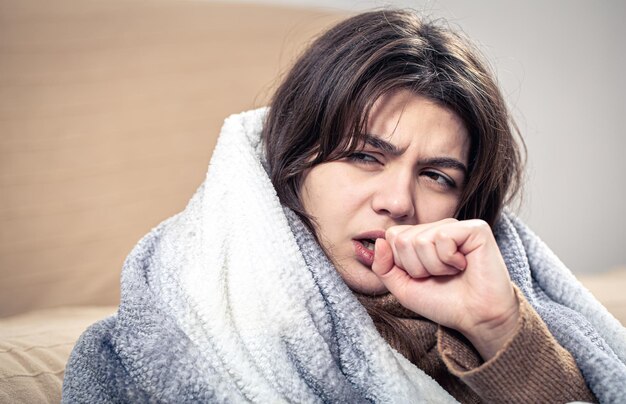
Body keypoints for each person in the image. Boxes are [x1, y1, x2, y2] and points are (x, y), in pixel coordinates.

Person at [62, 9, 626, 404]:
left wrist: (500, 330)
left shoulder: (495, 318)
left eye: (436, 176)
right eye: (363, 156)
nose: (398, 202)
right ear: (296, 158)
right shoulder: (185, 313)